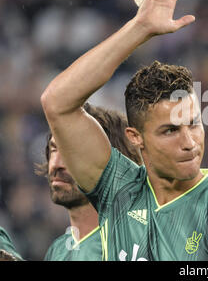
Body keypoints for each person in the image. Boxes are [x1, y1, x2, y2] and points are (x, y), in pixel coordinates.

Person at [40, 0, 208, 261]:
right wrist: (139, 29)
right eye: (170, 130)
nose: (189, 142)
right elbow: (57, 101)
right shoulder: (118, 188)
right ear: (136, 138)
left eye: (193, 124)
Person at [35, 103, 142, 261]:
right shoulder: (57, 251)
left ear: (112, 165)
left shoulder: (133, 244)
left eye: (72, 152)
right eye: (53, 150)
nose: (56, 164)